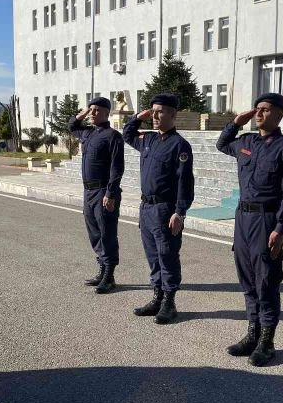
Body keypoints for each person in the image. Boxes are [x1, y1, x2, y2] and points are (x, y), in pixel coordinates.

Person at [216, 93, 283, 366]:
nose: (259, 114)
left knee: (266, 281)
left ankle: (267, 341)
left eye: (265, 110)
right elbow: (222, 144)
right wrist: (235, 122)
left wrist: (281, 228)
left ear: (279, 115)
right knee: (247, 281)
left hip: (266, 221)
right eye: (257, 109)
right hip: (242, 219)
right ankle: (252, 333)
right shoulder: (246, 142)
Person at [122, 93, 194, 324]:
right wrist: (137, 117)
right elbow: (127, 134)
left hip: (165, 209)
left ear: (173, 114)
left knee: (167, 255)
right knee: (153, 255)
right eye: (152, 111)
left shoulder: (179, 145)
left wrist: (180, 212)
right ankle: (157, 297)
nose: (154, 115)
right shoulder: (148, 139)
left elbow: (185, 182)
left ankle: (169, 303)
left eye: (160, 111)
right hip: (146, 207)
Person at [66, 97, 125, 294]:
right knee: (94, 233)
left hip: (103, 192)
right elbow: (72, 126)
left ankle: (109, 275)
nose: (92, 113)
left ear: (107, 113)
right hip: (88, 192)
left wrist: (110, 193)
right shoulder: (88, 133)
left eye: (97, 110)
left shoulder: (113, 136)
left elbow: (117, 168)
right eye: (91, 109)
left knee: (107, 233)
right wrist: (82, 114)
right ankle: (101, 269)